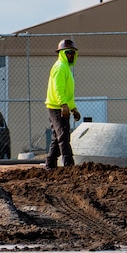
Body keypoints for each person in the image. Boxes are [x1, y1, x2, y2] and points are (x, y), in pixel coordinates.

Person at [44, 37, 79, 169]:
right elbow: (58, 88)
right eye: (68, 52)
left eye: (73, 52)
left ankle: (50, 165)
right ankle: (69, 166)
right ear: (62, 53)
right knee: (63, 135)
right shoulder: (60, 67)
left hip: (61, 106)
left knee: (57, 136)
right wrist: (63, 104)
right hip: (56, 107)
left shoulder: (66, 69)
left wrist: (73, 108)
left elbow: (67, 92)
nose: (71, 55)